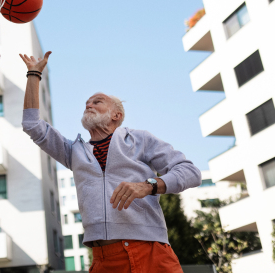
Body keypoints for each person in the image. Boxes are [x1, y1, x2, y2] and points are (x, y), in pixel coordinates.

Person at [19, 51, 202, 273]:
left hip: (150, 251)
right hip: (104, 259)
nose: (89, 105)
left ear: (116, 115)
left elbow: (191, 172)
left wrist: (148, 185)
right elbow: (32, 125)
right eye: (87, 103)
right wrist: (33, 73)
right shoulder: (73, 151)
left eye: (98, 102)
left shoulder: (139, 139)